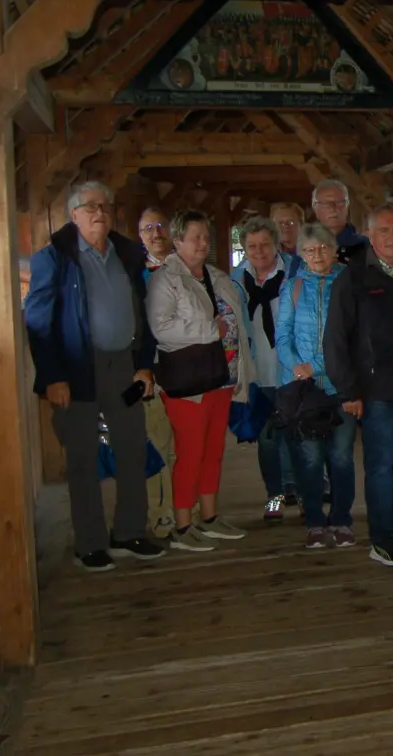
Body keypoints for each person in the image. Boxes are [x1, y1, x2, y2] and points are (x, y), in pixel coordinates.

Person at [25, 182, 164, 572]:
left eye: (104, 206)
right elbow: (38, 321)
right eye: (89, 207)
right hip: (76, 371)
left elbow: (144, 311)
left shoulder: (126, 253)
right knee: (83, 457)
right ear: (74, 215)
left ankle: (129, 532)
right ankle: (90, 543)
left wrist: (144, 363)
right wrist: (53, 376)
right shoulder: (54, 258)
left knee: (133, 446)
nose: (99, 212)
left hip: (124, 368)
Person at [325, 206, 393, 567]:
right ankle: (381, 537)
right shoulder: (353, 278)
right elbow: (336, 340)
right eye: (384, 231)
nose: (392, 237)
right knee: (381, 466)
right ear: (370, 236)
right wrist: (348, 392)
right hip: (375, 394)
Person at [147, 210, 255, 552]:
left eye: (206, 237)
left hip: (221, 377)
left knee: (213, 451)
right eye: (195, 237)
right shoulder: (165, 280)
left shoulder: (217, 275)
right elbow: (160, 328)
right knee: (190, 453)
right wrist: (210, 330)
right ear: (177, 241)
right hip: (188, 382)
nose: (203, 243)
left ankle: (209, 517)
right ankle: (182, 525)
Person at [276, 223, 358, 550]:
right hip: (305, 391)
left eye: (323, 247)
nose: (317, 255)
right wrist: (295, 365)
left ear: (334, 248)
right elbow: (282, 334)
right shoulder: (293, 286)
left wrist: (318, 366)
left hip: (341, 387)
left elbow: (354, 340)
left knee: (340, 457)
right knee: (309, 458)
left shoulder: (349, 284)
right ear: (301, 254)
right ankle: (314, 522)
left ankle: (341, 520)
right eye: (309, 250)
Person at [231, 217, 298, 526]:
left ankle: (305, 495)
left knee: (300, 439)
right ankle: (275, 498)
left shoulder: (295, 274)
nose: (258, 252)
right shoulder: (234, 281)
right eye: (251, 246)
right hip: (258, 374)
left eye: (265, 245)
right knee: (269, 441)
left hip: (292, 372)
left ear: (276, 244)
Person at [137, 205, 179, 539]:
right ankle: (160, 513)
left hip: (186, 370)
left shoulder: (187, 269)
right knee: (156, 443)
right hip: (151, 370)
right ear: (140, 237)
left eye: (161, 224)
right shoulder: (133, 275)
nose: (156, 233)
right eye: (148, 228)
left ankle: (186, 510)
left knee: (184, 444)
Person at [311, 179, 369, 264]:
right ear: (315, 208)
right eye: (325, 203)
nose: (332, 208)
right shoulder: (304, 244)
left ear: (347, 206)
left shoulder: (365, 245)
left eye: (339, 202)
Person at [269, 201, 307, 276]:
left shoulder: (314, 250)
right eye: (280, 223)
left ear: (301, 225)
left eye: (291, 222)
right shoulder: (263, 253)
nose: (286, 226)